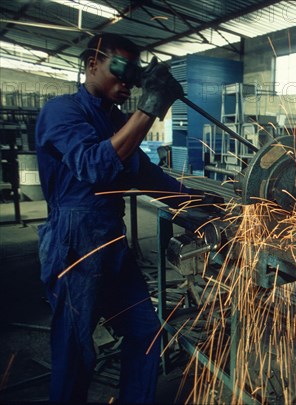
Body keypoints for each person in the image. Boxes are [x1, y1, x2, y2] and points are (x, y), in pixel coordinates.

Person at [35, 33, 209, 403]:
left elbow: (147, 176)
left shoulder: (117, 121)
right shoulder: (62, 110)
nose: (126, 82)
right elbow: (94, 166)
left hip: (111, 241)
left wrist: (202, 203)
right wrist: (149, 108)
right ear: (91, 64)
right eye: (120, 69)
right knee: (76, 350)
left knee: (146, 331)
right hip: (73, 245)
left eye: (134, 74)